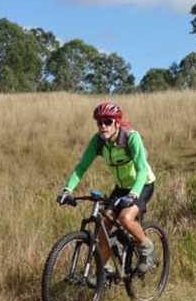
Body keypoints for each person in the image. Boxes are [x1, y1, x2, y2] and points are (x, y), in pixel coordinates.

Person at [57, 102, 157, 276]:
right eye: (99, 122)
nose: (103, 126)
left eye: (108, 122)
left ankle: (147, 249)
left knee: (126, 218)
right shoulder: (98, 142)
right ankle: (103, 273)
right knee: (104, 226)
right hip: (121, 188)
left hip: (143, 184)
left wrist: (133, 194)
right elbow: (81, 167)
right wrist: (67, 190)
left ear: (117, 123)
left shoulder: (131, 137)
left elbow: (141, 169)